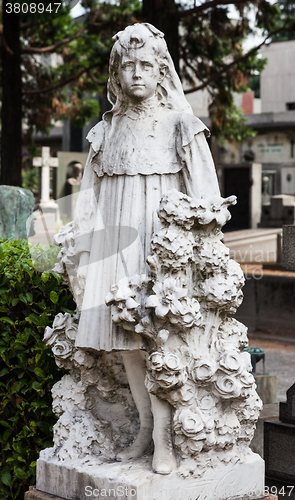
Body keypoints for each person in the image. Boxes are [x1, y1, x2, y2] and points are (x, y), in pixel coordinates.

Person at [73, 23, 220, 474]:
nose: (137, 74)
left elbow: (206, 197)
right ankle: (145, 427)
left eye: (147, 65)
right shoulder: (106, 131)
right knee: (127, 341)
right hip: (117, 241)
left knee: (162, 338)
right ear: (116, 74)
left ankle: (164, 434)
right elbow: (88, 197)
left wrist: (197, 246)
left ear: (161, 71)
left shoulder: (180, 124)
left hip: (161, 244)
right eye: (128, 66)